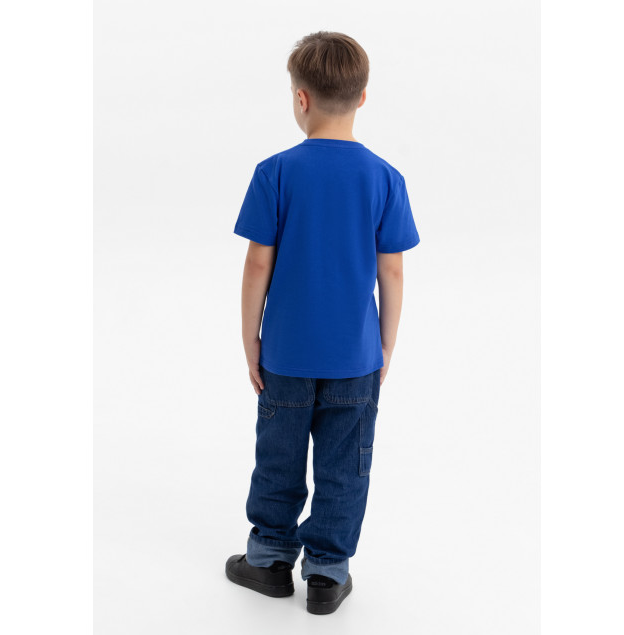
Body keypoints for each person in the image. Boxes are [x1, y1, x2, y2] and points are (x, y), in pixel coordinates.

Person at [225, 31, 420, 615]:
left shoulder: (275, 172)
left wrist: (251, 339)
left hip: (285, 356)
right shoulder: (385, 178)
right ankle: (328, 574)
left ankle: (268, 560)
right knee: (345, 468)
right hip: (355, 360)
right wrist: (384, 346)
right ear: (362, 97)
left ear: (300, 98)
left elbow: (257, 264)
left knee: (278, 459)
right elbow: (392, 272)